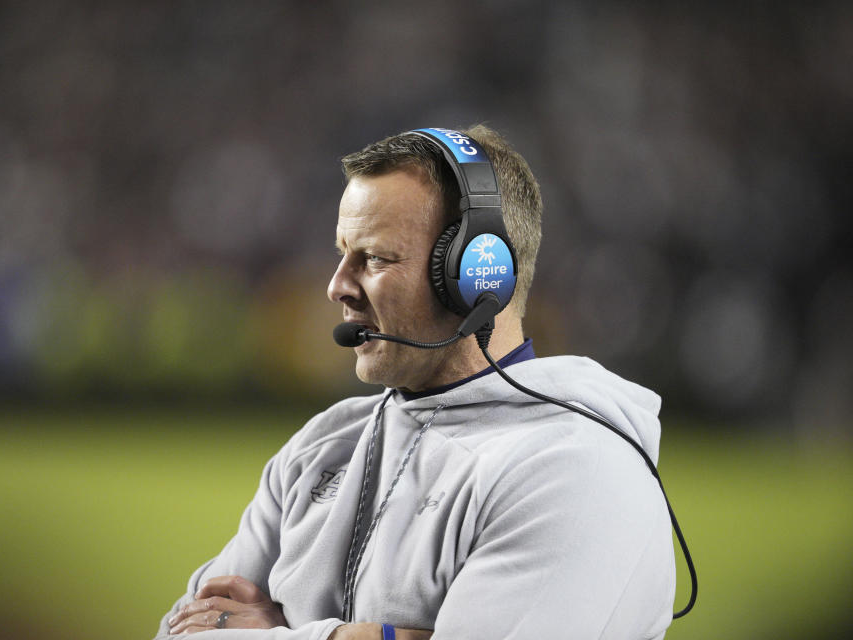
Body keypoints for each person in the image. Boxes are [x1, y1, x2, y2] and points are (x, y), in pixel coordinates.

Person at [154, 125, 676, 639]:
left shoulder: (575, 471)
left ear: (476, 276)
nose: (337, 285)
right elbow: (182, 631)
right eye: (342, 252)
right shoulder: (321, 447)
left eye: (375, 258)